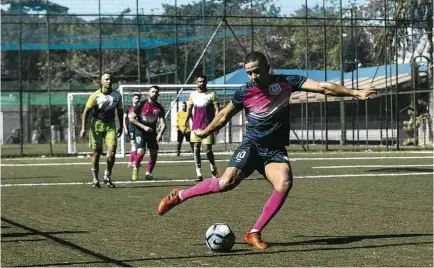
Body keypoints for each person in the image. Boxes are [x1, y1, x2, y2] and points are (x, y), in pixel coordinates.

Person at [157, 51, 375, 249]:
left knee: (285, 182)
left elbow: (323, 87)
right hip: (252, 146)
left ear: (267, 67)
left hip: (274, 150)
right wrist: (206, 131)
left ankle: (253, 232)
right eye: (249, 73)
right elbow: (224, 114)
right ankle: (180, 195)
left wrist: (355, 93)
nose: (253, 77)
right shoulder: (245, 92)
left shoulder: (287, 82)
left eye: (256, 71)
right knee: (226, 183)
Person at [80, 73, 123, 188]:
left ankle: (107, 175)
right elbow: (86, 112)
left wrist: (122, 126)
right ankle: (95, 178)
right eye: (107, 79)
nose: (109, 81)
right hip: (97, 125)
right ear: (101, 82)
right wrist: (84, 127)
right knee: (97, 153)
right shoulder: (95, 96)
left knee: (112, 152)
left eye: (110, 79)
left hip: (110, 126)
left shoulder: (117, 95)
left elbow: (120, 111)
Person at [183, 75, 220, 181]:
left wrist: (216, 124)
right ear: (196, 83)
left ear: (206, 82)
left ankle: (213, 166)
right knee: (196, 148)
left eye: (203, 81)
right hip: (196, 126)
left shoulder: (212, 94)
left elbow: (217, 109)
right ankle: (198, 173)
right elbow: (189, 110)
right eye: (199, 82)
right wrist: (185, 122)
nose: (201, 83)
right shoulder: (192, 95)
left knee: (208, 150)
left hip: (208, 126)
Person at [128, 86, 166, 181]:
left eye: (156, 92)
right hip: (140, 131)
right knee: (141, 152)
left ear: (158, 94)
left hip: (152, 133)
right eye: (152, 92)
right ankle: (136, 167)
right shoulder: (141, 104)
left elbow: (163, 123)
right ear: (148, 93)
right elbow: (131, 119)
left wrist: (160, 133)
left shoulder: (159, 107)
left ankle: (148, 173)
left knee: (154, 154)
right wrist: (144, 127)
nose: (154, 93)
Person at [123, 93, 141, 167]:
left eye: (138, 98)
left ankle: (130, 162)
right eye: (135, 98)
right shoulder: (128, 108)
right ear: (132, 99)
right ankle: (136, 161)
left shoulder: (140, 108)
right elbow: (124, 119)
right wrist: (125, 128)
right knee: (133, 144)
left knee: (136, 146)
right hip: (131, 127)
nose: (137, 100)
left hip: (138, 128)